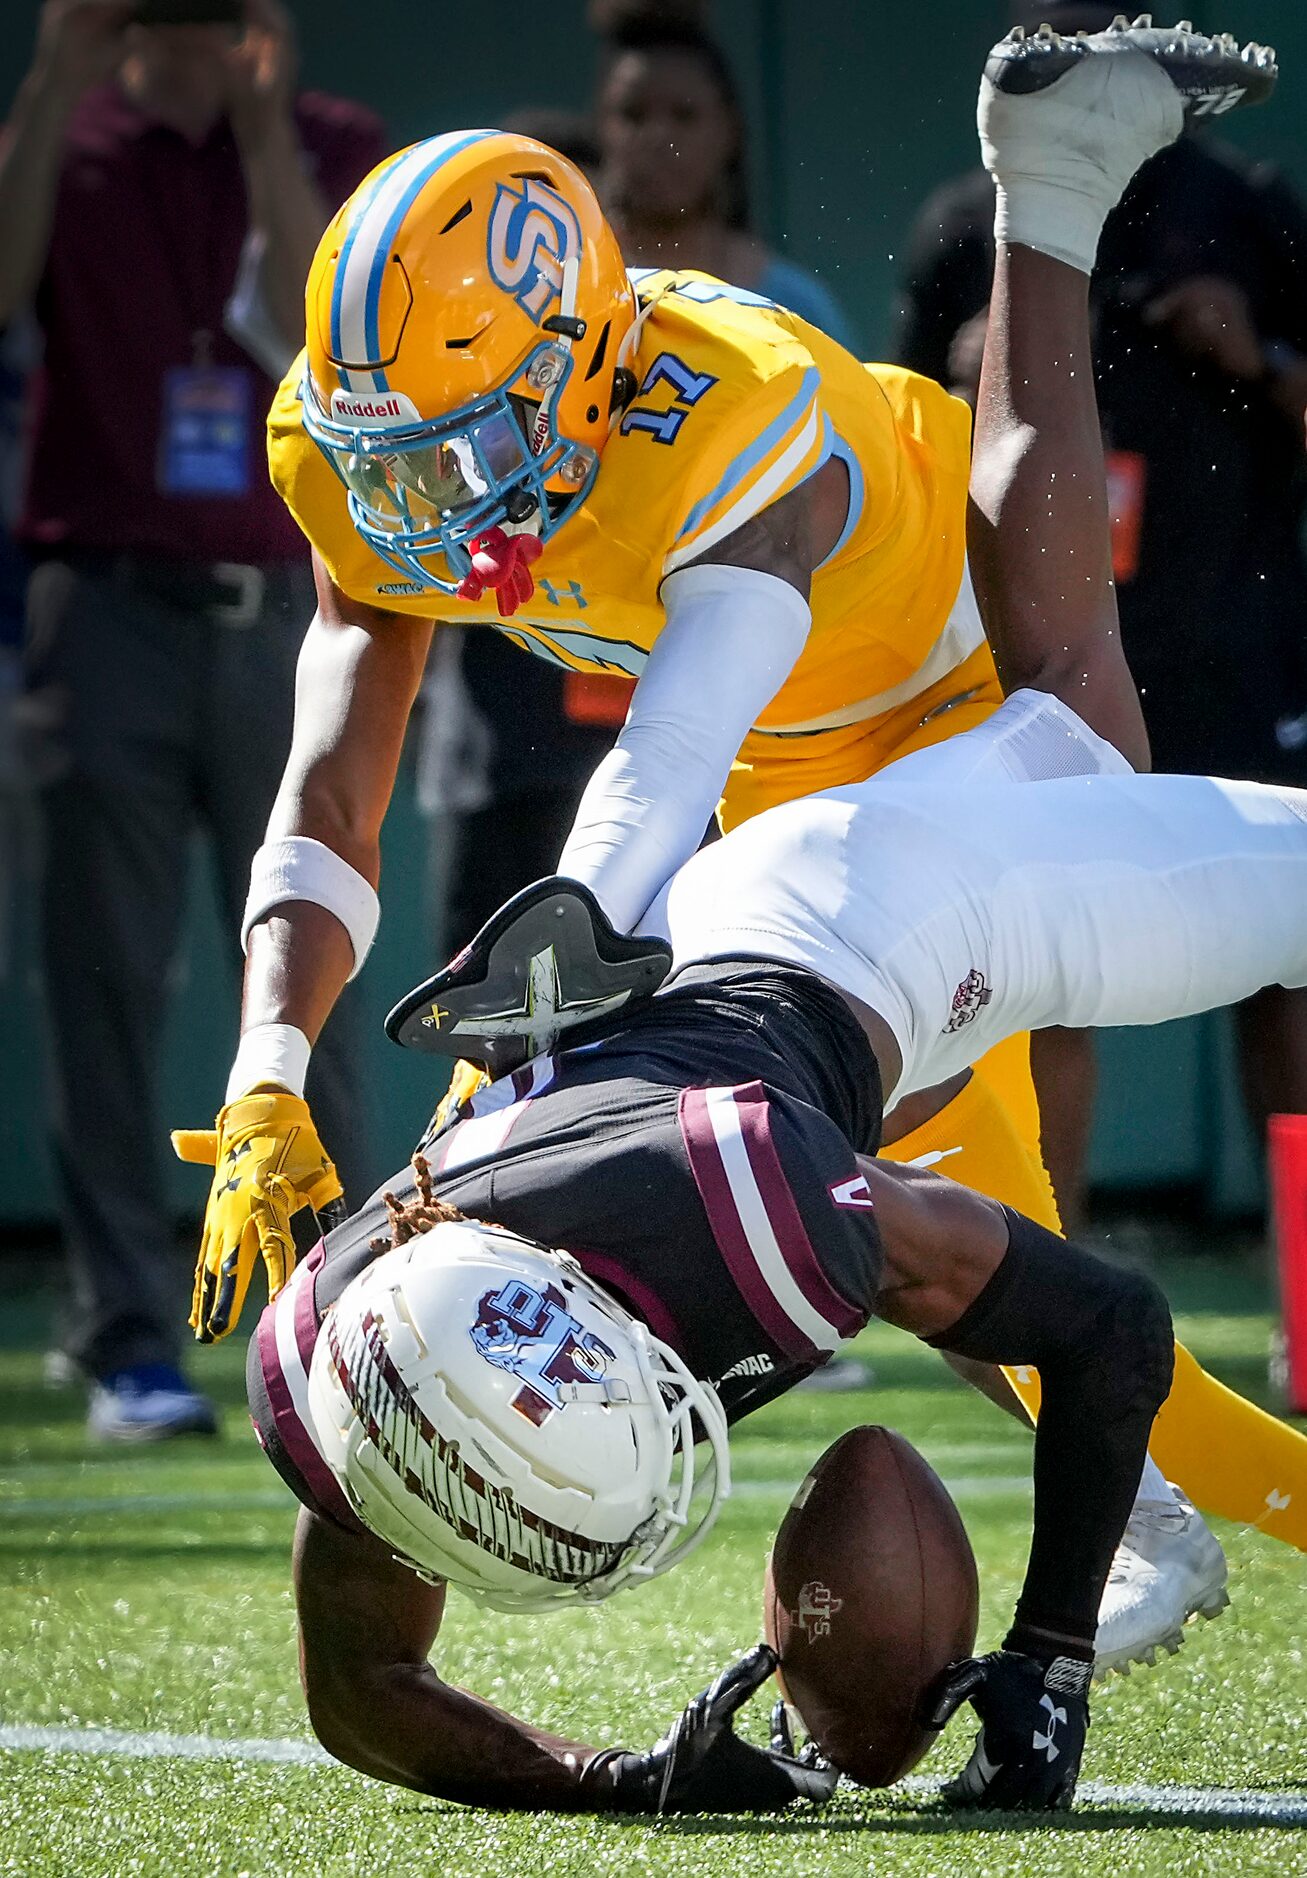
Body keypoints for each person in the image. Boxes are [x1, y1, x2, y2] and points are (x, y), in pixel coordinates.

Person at [244, 28, 1307, 1816]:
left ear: (582, 367)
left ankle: (1044, 190)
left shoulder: (719, 398)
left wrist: (1032, 1685)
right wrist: (273, 1059)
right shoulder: (351, 1333)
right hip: (784, 863)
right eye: (388, 464)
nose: (418, 508)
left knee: (1072, 721)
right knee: (1007, 1239)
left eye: (457, 451)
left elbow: (656, 769)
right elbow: (335, 779)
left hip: (899, 671)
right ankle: (1130, 1493)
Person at [0, 0, 385, 1438]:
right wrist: (53, 75)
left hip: (293, 606)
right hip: (102, 604)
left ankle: (330, 1316)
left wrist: (265, 120)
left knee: (313, 950)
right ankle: (123, 1336)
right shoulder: (68, 134)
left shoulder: (334, 140)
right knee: (104, 978)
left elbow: (320, 334)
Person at [897, 0, 1307, 1227]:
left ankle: (1304, 1310)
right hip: (1043, 644)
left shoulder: (1243, 199)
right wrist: (968, 375)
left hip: (1232, 640)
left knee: (1287, 966)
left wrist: (1262, 362)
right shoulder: (967, 219)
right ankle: (1040, 1286)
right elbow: (896, 452)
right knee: (1041, 967)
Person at [594, 14, 860, 350]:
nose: (658, 137)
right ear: (601, 126)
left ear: (729, 131)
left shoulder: (796, 309)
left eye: (684, 115)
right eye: (634, 114)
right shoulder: (572, 293)